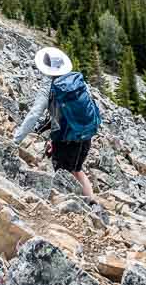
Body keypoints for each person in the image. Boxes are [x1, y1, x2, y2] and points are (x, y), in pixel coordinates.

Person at [13, 47, 100, 198]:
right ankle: (92, 204)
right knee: (77, 170)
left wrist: (15, 141)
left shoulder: (49, 87)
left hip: (66, 138)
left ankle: (70, 207)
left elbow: (34, 115)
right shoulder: (77, 81)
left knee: (61, 174)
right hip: (85, 133)